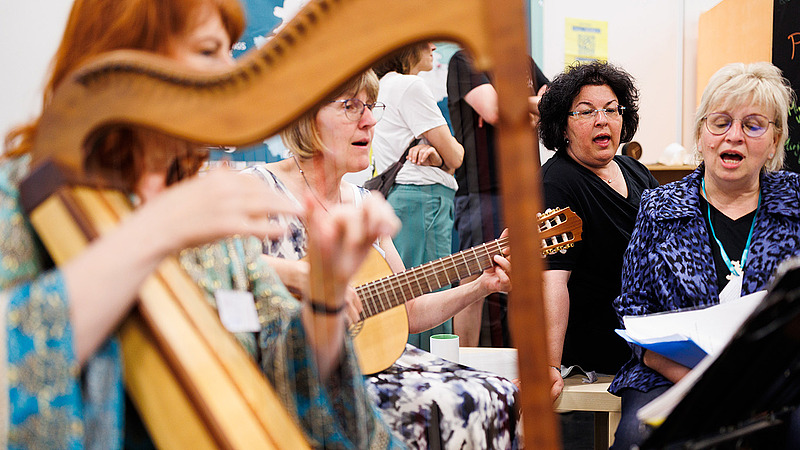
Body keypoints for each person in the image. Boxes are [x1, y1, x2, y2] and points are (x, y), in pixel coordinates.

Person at [1, 0, 403, 447]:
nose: (230, 74)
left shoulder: (208, 208)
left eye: (231, 52)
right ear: (126, 59)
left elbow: (286, 369)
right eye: (209, 51)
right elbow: (12, 357)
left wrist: (325, 296)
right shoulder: (20, 195)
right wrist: (156, 231)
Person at [244, 70, 520, 448]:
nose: (370, 120)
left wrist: (480, 286)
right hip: (294, 374)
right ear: (306, 116)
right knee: (450, 404)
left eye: (371, 106)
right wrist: (305, 276)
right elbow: (225, 269)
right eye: (350, 106)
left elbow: (409, 310)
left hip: (367, 366)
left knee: (498, 393)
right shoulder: (257, 188)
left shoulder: (365, 203)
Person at [609, 62, 800, 449]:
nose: (734, 136)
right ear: (700, 132)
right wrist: (702, 385)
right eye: (721, 122)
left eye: (753, 125)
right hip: (672, 374)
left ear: (775, 140)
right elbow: (633, 309)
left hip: (778, 380)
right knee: (639, 436)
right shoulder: (659, 206)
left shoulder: (796, 201)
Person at [537, 61, 659, 401]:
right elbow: (552, 281)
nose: (602, 120)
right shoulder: (556, 183)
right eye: (586, 111)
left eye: (611, 109)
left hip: (648, 335)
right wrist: (549, 364)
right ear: (563, 127)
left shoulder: (634, 170)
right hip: (600, 348)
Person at [446, 49, 549, 347]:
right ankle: (463, 361)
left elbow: (552, 101)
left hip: (526, 189)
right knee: (472, 282)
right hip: (483, 191)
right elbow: (494, 110)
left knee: (526, 277)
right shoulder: (465, 61)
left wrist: (517, 107)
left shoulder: (522, 60)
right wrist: (529, 107)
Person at [371, 42, 465, 350]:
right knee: (429, 299)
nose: (433, 45)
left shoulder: (381, 86)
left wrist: (436, 156)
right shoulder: (410, 85)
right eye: (425, 39)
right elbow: (457, 155)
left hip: (401, 199)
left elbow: (443, 159)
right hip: (425, 202)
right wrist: (444, 154)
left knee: (407, 297)